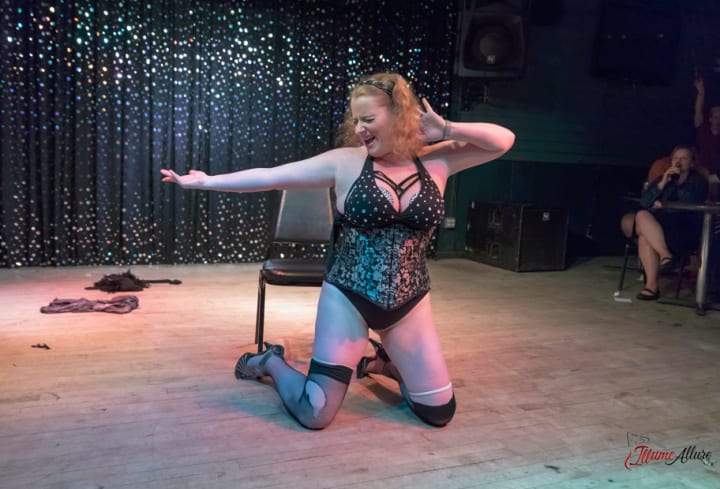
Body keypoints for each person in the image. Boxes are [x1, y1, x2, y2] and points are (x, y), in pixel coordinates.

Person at [160, 72, 515, 429]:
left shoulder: (438, 160)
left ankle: (383, 363)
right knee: (315, 412)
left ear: (399, 114)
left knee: (438, 412)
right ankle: (270, 362)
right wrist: (206, 181)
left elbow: (503, 140)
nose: (360, 129)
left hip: (410, 304)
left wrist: (447, 129)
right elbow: (271, 176)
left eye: (368, 119)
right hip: (347, 297)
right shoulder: (345, 162)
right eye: (356, 120)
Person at [633, 145, 708, 300]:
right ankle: (665, 257)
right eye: (675, 158)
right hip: (661, 229)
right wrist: (662, 183)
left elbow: (689, 204)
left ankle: (652, 286)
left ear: (691, 163)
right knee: (642, 218)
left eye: (683, 158)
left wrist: (664, 205)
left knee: (644, 235)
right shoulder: (664, 179)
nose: (678, 161)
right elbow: (644, 202)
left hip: (683, 229)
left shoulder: (699, 182)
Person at [693, 74, 720, 200]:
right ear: (710, 119)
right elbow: (698, 112)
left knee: (714, 180)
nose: (718, 120)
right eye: (716, 117)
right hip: (699, 170)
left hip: (716, 176)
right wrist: (701, 92)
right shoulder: (703, 130)